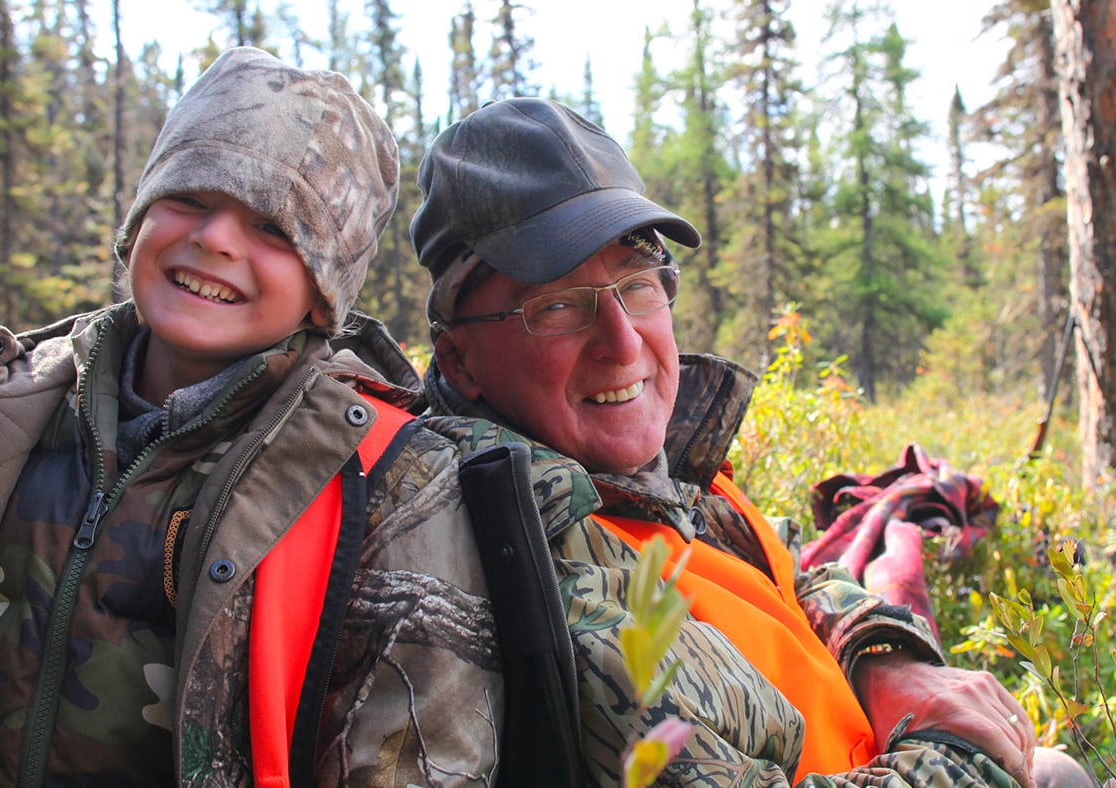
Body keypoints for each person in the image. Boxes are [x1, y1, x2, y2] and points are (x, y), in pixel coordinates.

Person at [0, 47, 500, 786]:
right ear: (137, 219)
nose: (214, 239)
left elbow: (411, 759)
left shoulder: (384, 486)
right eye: (190, 198)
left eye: (274, 228)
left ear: (326, 287)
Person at [410, 95, 1054, 787]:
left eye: (638, 284)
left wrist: (887, 662)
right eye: (558, 306)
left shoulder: (649, 474)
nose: (624, 343)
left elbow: (792, 576)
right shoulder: (549, 581)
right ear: (459, 362)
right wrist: (964, 755)